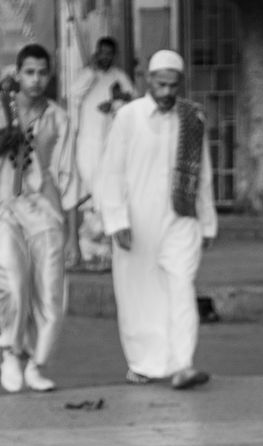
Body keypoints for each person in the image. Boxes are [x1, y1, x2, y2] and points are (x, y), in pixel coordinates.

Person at [0, 43, 79, 393]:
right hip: (2, 211)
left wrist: (73, 235)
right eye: (29, 72)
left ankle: (37, 363)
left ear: (50, 75)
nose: (36, 79)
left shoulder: (60, 120)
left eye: (43, 72)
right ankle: (12, 353)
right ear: (18, 73)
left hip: (45, 213)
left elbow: (69, 176)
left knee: (51, 293)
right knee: (14, 284)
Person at [98, 49, 217, 390]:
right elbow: (112, 172)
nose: (166, 92)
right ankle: (143, 363)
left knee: (181, 286)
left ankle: (182, 364)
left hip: (182, 218)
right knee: (138, 293)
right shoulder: (128, 117)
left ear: (181, 84)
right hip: (137, 221)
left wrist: (207, 222)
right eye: (160, 84)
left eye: (173, 85)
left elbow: (204, 174)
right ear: (148, 80)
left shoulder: (192, 118)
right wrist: (116, 220)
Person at [70, 37, 134, 269]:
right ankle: (88, 250)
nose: (105, 56)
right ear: (96, 53)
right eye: (102, 52)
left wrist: (117, 101)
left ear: (114, 55)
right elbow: (74, 93)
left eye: (110, 53)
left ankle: (104, 251)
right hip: (88, 143)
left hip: (111, 146)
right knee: (89, 194)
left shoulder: (119, 77)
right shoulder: (87, 75)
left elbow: (130, 100)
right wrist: (93, 72)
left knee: (108, 193)